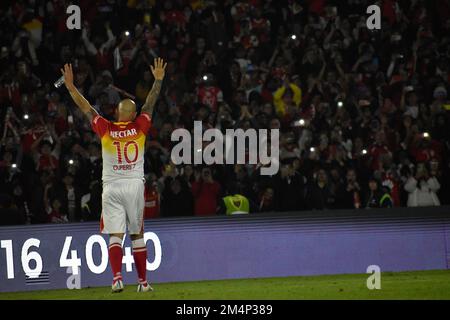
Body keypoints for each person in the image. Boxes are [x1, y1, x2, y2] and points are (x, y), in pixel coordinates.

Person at [60, 57, 166, 293]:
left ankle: (117, 277)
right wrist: (157, 81)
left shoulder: (106, 128)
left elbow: (86, 107)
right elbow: (150, 103)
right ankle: (143, 282)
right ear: (133, 113)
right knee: (137, 233)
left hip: (111, 187)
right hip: (133, 186)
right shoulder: (140, 127)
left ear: (118, 112)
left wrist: (70, 87)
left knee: (115, 235)